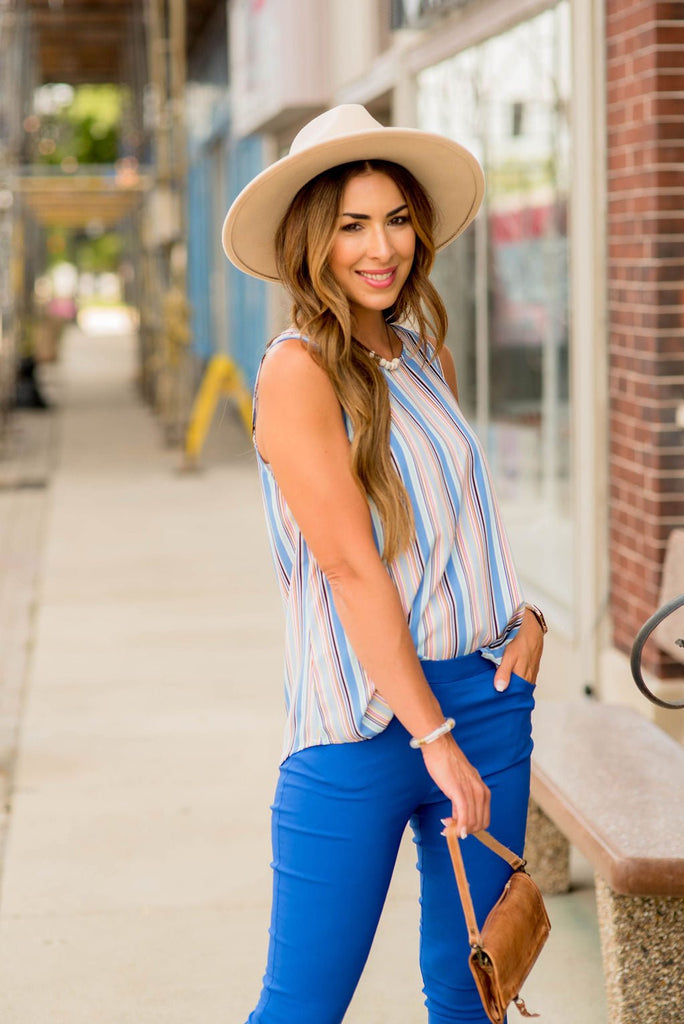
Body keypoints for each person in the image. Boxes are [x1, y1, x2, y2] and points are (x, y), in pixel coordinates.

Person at [221, 104, 546, 1024]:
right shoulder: (296, 373)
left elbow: (459, 524)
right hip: (361, 724)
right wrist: (433, 739)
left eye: (397, 219)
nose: (382, 246)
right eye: (352, 224)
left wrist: (528, 624)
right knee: (302, 1006)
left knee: (474, 988)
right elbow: (353, 571)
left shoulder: (422, 354)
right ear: (312, 242)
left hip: (485, 706)